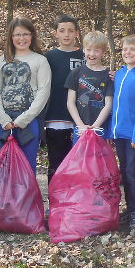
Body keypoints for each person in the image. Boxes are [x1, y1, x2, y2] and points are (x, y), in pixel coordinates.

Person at [0, 17, 52, 174]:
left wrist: (24, 118)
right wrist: (2, 117)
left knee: (27, 164)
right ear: (11, 37)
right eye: (17, 34)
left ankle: (28, 199)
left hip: (29, 121)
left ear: (32, 35)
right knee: (6, 166)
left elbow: (43, 92)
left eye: (25, 34)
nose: (21, 38)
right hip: (5, 121)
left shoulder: (40, 60)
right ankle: (7, 198)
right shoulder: (1, 61)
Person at [109, 35, 135, 230]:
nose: (127, 53)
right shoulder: (119, 73)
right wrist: (111, 131)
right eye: (124, 49)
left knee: (133, 172)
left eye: (132, 49)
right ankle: (129, 209)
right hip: (119, 132)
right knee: (124, 172)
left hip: (134, 134)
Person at [44, 14, 84, 182]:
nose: (66, 34)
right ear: (55, 33)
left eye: (70, 31)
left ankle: (74, 205)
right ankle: (55, 205)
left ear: (76, 33)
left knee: (78, 165)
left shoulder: (85, 56)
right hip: (56, 117)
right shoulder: (49, 57)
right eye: (62, 31)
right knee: (56, 162)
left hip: (81, 119)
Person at [65, 30, 114, 142]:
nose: (92, 54)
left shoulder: (108, 76)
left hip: (100, 129)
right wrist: (80, 125)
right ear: (83, 50)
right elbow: (70, 102)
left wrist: (96, 126)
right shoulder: (76, 73)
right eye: (88, 50)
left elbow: (108, 104)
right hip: (80, 128)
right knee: (79, 159)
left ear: (103, 52)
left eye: (96, 51)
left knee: (98, 159)